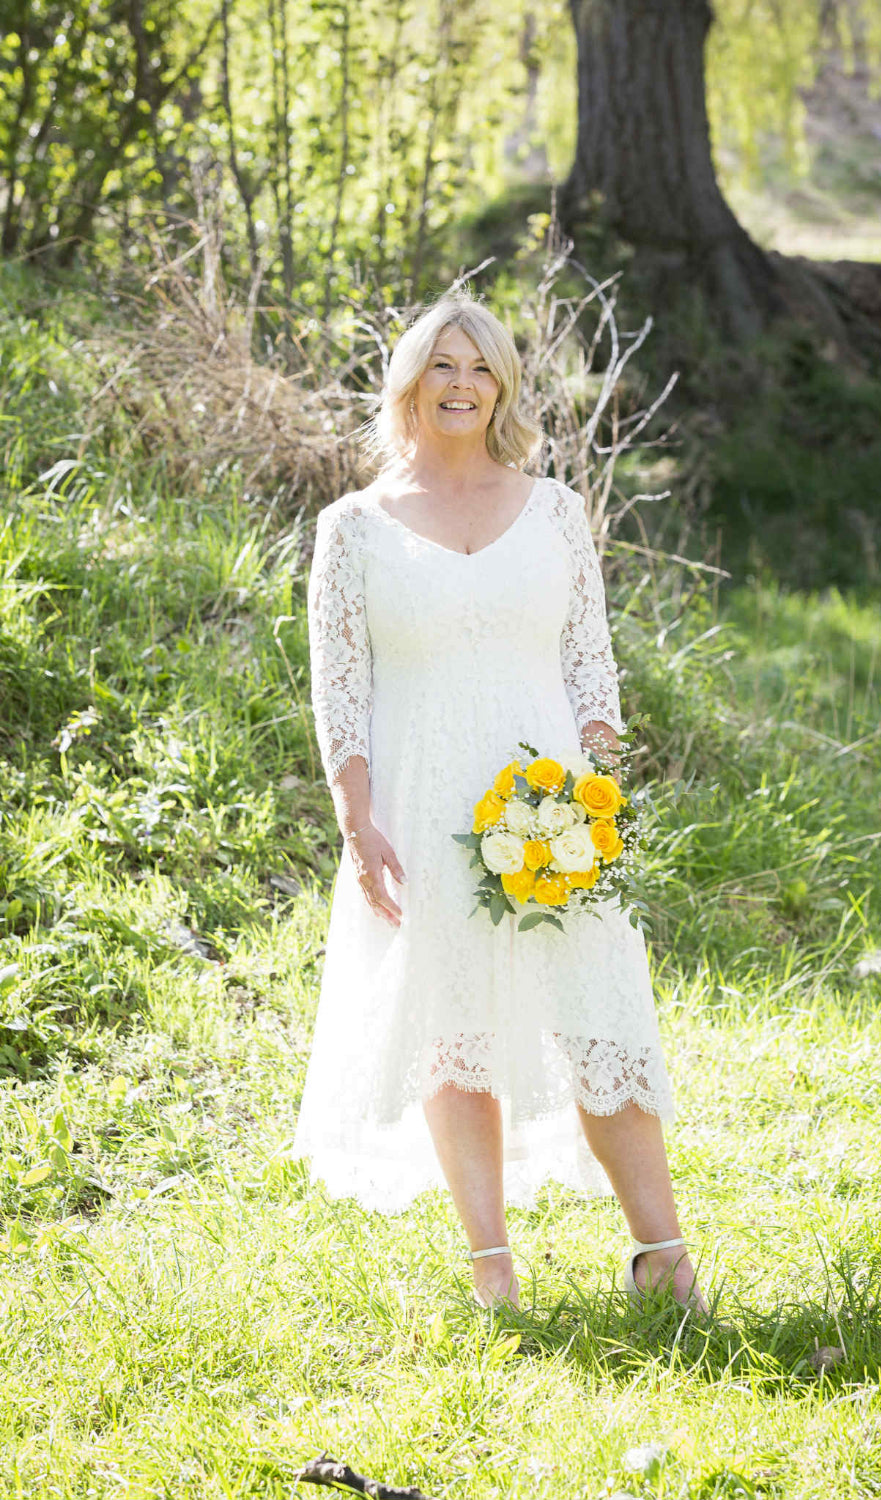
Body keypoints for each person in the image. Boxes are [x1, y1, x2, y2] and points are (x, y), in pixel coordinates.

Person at [291, 289, 707, 1315]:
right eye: (442, 366)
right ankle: (493, 1270)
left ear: (505, 387)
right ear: (409, 385)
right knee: (452, 1028)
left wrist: (595, 799)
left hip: (553, 812)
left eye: (481, 369)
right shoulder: (352, 530)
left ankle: (662, 1253)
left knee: (600, 1023)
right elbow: (339, 688)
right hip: (424, 802)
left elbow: (590, 674)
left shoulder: (556, 512)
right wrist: (357, 821)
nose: (463, 385)